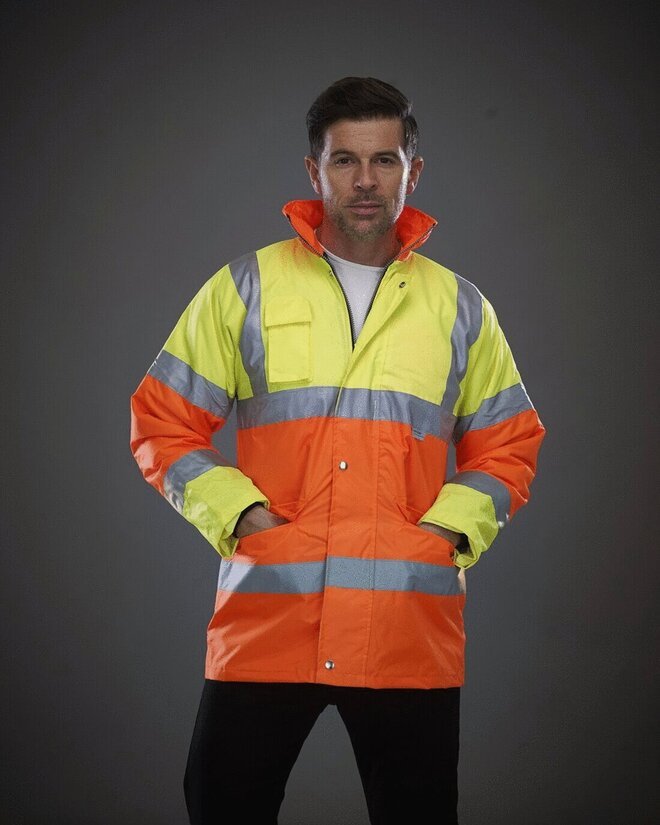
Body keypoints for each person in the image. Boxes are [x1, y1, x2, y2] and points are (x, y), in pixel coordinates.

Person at [129, 76, 546, 825]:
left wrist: (446, 534)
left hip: (404, 628)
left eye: (384, 160)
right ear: (313, 169)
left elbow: (509, 443)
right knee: (222, 805)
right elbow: (162, 421)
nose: (364, 180)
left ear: (413, 171)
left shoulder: (460, 307)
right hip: (270, 619)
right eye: (344, 159)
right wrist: (241, 515)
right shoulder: (247, 287)